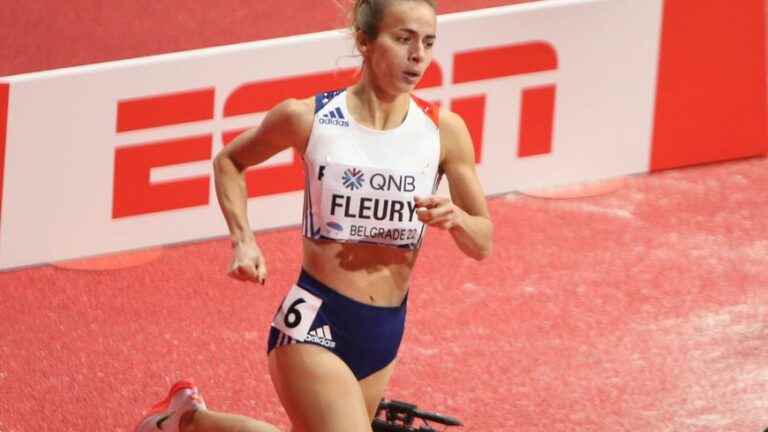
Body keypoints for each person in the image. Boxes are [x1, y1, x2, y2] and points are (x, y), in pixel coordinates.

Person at [135, 0, 492, 431]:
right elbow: (230, 161)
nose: (418, 55)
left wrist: (455, 218)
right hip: (315, 319)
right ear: (364, 40)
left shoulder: (443, 132)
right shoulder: (310, 118)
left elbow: (482, 240)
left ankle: (189, 421)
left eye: (428, 42)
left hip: (384, 331)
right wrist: (244, 239)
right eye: (403, 39)